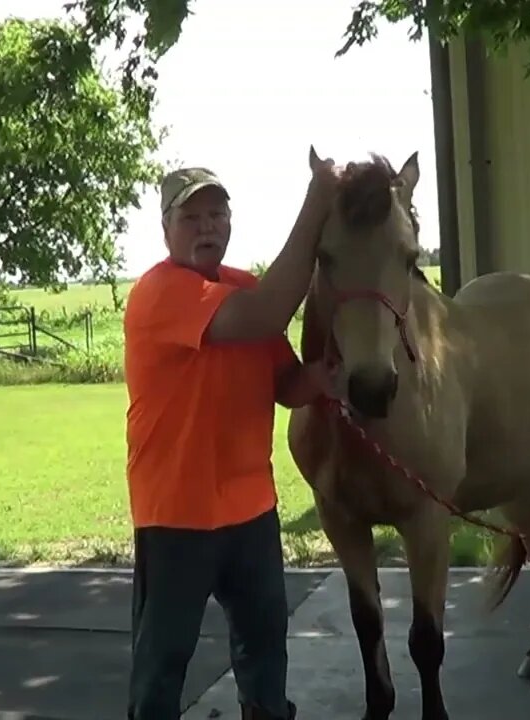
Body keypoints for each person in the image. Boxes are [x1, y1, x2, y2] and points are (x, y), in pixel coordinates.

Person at [122, 156, 340, 720]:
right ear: (166, 228)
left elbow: (287, 385)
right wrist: (317, 201)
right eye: (191, 217)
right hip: (176, 512)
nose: (207, 227)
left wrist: (327, 376)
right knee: (163, 660)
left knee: (265, 650)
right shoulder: (160, 293)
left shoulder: (242, 287)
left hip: (251, 509)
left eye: (217, 214)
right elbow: (269, 314)